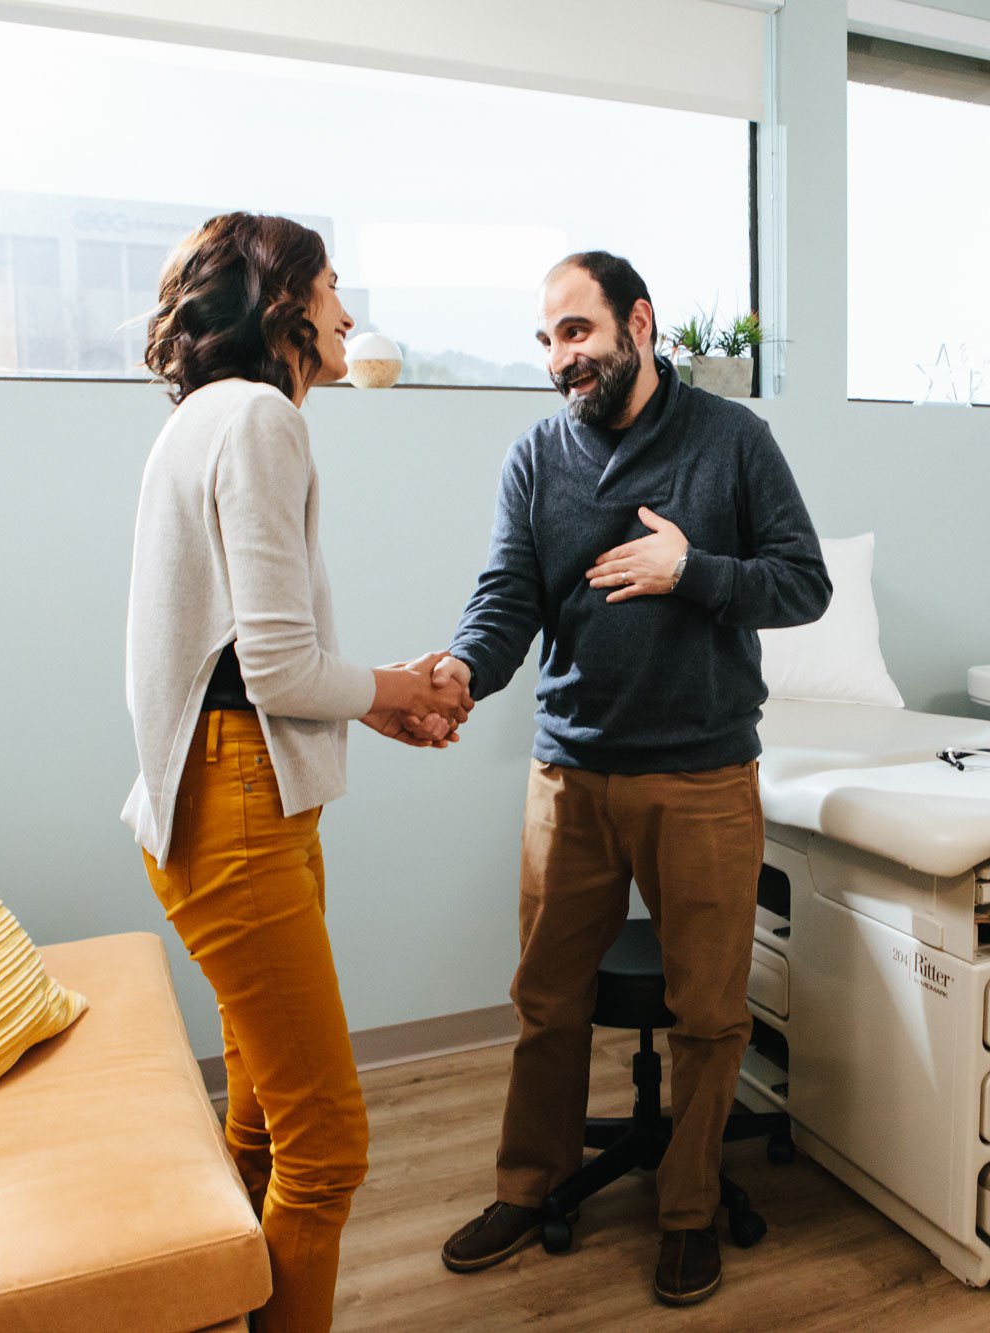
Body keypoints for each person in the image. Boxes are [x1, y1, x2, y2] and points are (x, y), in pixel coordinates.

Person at [435, 251, 831, 1306]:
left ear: (638, 325)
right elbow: (506, 595)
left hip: (700, 776)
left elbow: (803, 584)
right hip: (568, 775)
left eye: (577, 332)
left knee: (708, 1014)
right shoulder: (535, 456)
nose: (560, 358)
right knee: (543, 1003)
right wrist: (459, 673)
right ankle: (531, 1185)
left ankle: (689, 1208)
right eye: (547, 339)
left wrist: (687, 570)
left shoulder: (732, 441)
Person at [123, 211, 472, 1333]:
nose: (348, 313)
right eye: (330, 290)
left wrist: (373, 703)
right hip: (236, 813)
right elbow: (274, 667)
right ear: (282, 305)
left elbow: (238, 663)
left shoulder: (200, 418)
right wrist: (394, 689)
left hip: (218, 796)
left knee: (267, 1123)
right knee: (326, 1147)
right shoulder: (263, 418)